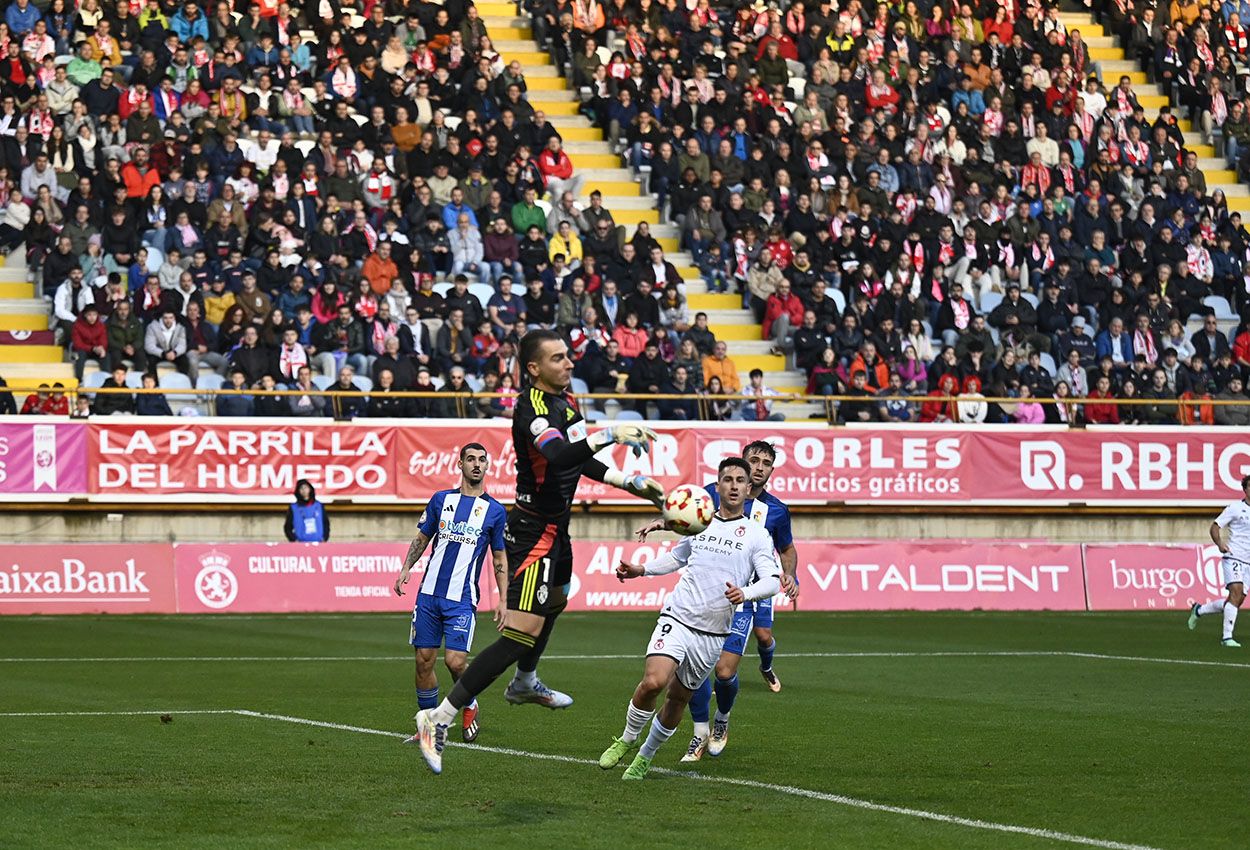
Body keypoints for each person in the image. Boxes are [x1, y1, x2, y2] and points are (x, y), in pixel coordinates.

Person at [413, 329, 664, 775]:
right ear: (534, 368)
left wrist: (631, 483)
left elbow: (580, 460)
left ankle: (525, 683)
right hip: (532, 534)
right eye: (558, 358)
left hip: (557, 530)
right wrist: (612, 432)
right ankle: (439, 718)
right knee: (517, 636)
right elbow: (561, 453)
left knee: (554, 605)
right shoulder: (530, 407)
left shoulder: (566, 404)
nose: (569, 364)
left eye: (568, 357)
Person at [598, 457, 782, 780]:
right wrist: (642, 570)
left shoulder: (756, 535)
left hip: (712, 633)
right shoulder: (700, 522)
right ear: (718, 486)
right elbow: (677, 558)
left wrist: (746, 592)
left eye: (741, 480)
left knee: (678, 698)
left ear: (749, 488)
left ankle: (645, 756)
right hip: (679, 616)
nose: (735, 485)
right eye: (728, 480)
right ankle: (626, 739)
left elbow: (771, 580)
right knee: (653, 681)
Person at [640, 439, 798, 759]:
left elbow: (787, 549)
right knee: (693, 671)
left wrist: (789, 574)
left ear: (770, 471)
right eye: (753, 460)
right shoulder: (713, 493)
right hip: (707, 597)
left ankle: (721, 719)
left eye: (765, 463)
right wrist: (666, 521)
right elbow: (686, 514)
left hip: (749, 594)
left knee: (725, 672)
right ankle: (699, 731)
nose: (758, 468)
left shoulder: (777, 511)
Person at [394, 444, 507, 746]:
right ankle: (428, 727)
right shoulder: (441, 500)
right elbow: (422, 537)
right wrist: (406, 567)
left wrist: (503, 599)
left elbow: (499, 557)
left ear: (487, 466)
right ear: (460, 464)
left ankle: (468, 703)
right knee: (423, 661)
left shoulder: (495, 511)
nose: (476, 465)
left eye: (482, 460)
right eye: (471, 459)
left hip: (462, 598)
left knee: (455, 662)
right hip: (429, 595)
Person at [1188, 475, 1250, 648]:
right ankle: (1226, 638)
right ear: (1245, 489)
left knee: (1235, 601)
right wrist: (1220, 543)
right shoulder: (1235, 508)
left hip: (1249, 562)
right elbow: (1215, 527)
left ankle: (1199, 610)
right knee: (1236, 593)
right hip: (1234, 556)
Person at [283, 478, 329, 542]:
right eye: (301, 488)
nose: (304, 490)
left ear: (310, 489)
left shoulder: (319, 505)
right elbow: (287, 527)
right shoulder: (293, 508)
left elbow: (326, 524)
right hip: (300, 545)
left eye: (305, 488)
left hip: (319, 544)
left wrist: (324, 538)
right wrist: (294, 540)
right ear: (298, 491)